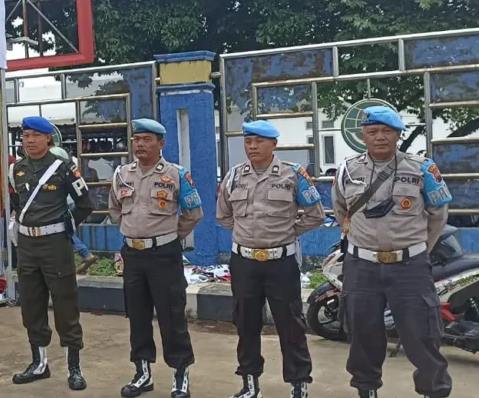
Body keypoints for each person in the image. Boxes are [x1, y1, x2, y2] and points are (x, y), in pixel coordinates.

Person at [332, 106, 453, 398]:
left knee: (422, 336)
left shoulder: (422, 168)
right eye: (373, 132)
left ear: (398, 134)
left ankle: (433, 392)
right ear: (363, 136)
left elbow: (438, 216)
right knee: (362, 336)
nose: (380, 137)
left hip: (409, 267)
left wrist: (416, 250)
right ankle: (367, 391)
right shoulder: (347, 170)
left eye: (387, 131)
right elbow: (342, 213)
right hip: (362, 268)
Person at [216, 120, 325, 398]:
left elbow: (315, 214)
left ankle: (299, 385)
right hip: (244, 263)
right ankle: (250, 385)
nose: (252, 146)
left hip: (281, 263)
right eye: (248, 141)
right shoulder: (234, 176)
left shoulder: (293, 174)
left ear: (273, 144)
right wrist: (248, 235)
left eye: (259, 141)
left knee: (291, 326)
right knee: (245, 324)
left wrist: (286, 233)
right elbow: (224, 215)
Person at [108, 118, 203, 398]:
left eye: (147, 139)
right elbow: (114, 210)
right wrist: (133, 232)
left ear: (161, 144)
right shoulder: (122, 174)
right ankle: (142, 373)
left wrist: (169, 235)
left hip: (164, 255)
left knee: (171, 315)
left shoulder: (176, 174)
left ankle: (180, 374)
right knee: (136, 315)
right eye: (137, 139)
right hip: (133, 256)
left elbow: (193, 213)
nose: (140, 144)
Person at [9, 116, 95, 390]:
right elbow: (16, 204)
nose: (30, 140)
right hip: (27, 247)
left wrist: (65, 227)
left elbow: (85, 204)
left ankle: (74, 367)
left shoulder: (63, 168)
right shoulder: (17, 170)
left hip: (55, 246)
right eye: (26, 135)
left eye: (36, 135)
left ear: (48, 138)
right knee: (31, 305)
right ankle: (39, 363)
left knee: (65, 305)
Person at [50, 145, 99, 274]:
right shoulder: (68, 163)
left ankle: (85, 254)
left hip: (64, 201)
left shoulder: (54, 163)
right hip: (73, 200)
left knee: (64, 230)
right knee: (66, 230)